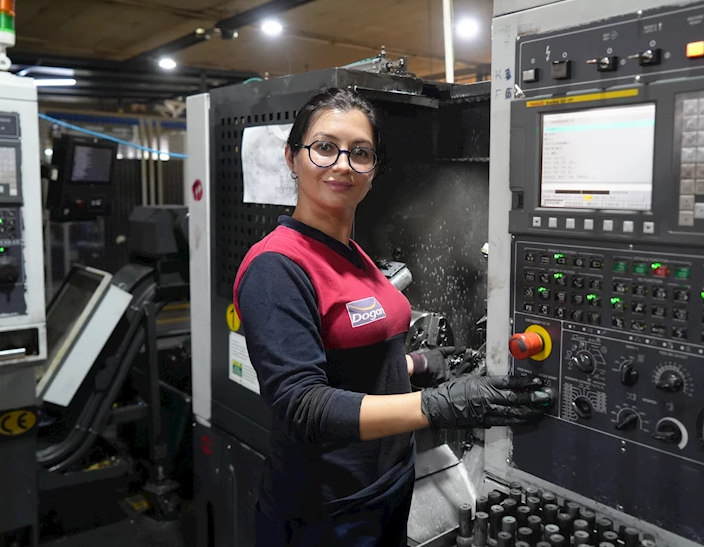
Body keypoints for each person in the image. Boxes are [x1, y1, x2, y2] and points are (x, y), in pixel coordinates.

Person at [233, 87, 551, 547]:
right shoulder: (277, 267)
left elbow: (343, 361)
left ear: (374, 170)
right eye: (325, 147)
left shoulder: (349, 251)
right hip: (327, 509)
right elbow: (304, 405)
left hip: (386, 488)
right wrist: (440, 405)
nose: (343, 164)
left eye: (360, 153)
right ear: (292, 157)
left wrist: (416, 364)